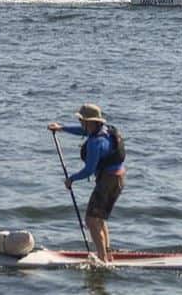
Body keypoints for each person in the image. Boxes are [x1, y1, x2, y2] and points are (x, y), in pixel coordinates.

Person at [49, 103, 126, 263]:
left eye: (82, 120)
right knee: (99, 218)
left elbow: (89, 170)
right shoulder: (103, 131)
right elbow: (82, 131)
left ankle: (102, 259)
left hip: (108, 181)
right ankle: (107, 254)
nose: (80, 123)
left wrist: (71, 179)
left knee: (91, 220)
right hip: (118, 178)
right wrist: (61, 128)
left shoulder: (95, 142)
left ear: (90, 122)